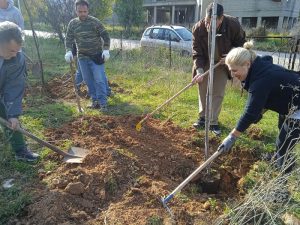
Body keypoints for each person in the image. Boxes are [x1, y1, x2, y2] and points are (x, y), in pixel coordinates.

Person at [218, 41, 300, 173]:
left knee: (285, 143)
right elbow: (265, 99)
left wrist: (232, 137)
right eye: (230, 70)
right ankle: (279, 158)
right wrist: (259, 112)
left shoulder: (260, 81)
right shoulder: (259, 68)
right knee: (282, 134)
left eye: (234, 70)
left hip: (297, 107)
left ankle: (283, 179)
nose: (232, 75)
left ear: (247, 64)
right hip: (288, 102)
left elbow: (250, 112)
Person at [192, 3, 246, 135]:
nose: (209, 25)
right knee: (203, 88)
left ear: (221, 19)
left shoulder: (233, 25)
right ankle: (203, 118)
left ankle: (213, 121)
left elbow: (241, 44)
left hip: (223, 62)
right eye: (207, 21)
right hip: (205, 60)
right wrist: (199, 71)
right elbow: (197, 52)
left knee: (218, 91)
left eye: (213, 22)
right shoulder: (198, 28)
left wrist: (231, 56)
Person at [0, 21, 38, 161]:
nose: (15, 54)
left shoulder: (17, 58)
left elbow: (14, 86)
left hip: (2, 90)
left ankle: (20, 150)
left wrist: (13, 114)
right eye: (11, 50)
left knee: (9, 116)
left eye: (17, 50)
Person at [65, 0, 110, 111]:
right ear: (76, 11)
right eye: (80, 11)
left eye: (85, 11)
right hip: (82, 57)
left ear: (87, 10)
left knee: (99, 80)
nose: (83, 14)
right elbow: (68, 39)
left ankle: (103, 103)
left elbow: (106, 35)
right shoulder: (73, 24)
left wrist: (106, 50)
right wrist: (68, 51)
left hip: (96, 56)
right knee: (88, 80)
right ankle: (95, 101)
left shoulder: (95, 22)